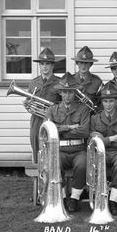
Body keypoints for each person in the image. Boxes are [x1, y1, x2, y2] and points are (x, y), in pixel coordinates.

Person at [45, 72, 90, 213]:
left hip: (79, 149)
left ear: (74, 92)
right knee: (55, 165)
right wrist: (69, 127)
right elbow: (48, 130)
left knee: (82, 165)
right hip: (60, 150)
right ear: (60, 93)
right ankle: (63, 196)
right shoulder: (52, 110)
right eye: (64, 92)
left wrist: (60, 130)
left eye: (70, 92)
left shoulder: (83, 109)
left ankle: (75, 198)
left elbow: (84, 131)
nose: (67, 95)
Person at [89, 82, 117, 216]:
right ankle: (99, 196)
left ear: (116, 101)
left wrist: (103, 141)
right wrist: (111, 139)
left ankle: (114, 200)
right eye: (105, 101)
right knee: (96, 163)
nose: (108, 104)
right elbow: (92, 144)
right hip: (101, 152)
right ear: (102, 102)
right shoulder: (95, 119)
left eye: (111, 101)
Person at [25, 47, 61, 163]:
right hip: (36, 120)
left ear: (52, 66)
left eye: (48, 64)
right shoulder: (34, 83)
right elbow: (29, 102)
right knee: (36, 149)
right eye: (42, 64)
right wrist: (27, 104)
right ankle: (37, 180)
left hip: (53, 121)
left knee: (53, 150)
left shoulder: (60, 83)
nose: (45, 67)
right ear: (39, 66)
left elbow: (63, 104)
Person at [72, 46, 103, 111]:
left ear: (91, 64)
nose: (83, 66)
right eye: (81, 63)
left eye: (86, 63)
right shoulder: (70, 80)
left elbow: (101, 104)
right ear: (77, 63)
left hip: (90, 117)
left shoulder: (97, 82)